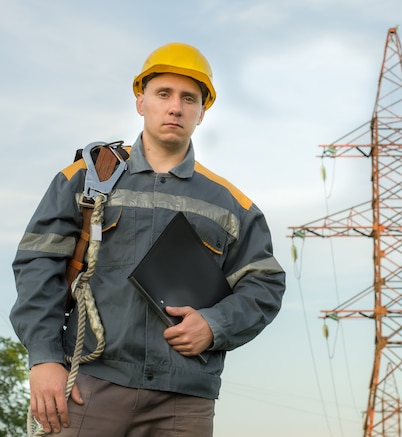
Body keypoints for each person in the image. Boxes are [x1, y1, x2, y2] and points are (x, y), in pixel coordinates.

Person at [10, 42, 286, 436]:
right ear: (141, 102)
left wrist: (213, 325)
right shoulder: (84, 178)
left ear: (202, 112)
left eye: (188, 98)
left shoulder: (233, 205)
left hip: (183, 401)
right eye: (163, 94)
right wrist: (43, 358)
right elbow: (38, 264)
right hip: (87, 384)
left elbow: (266, 285)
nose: (175, 107)